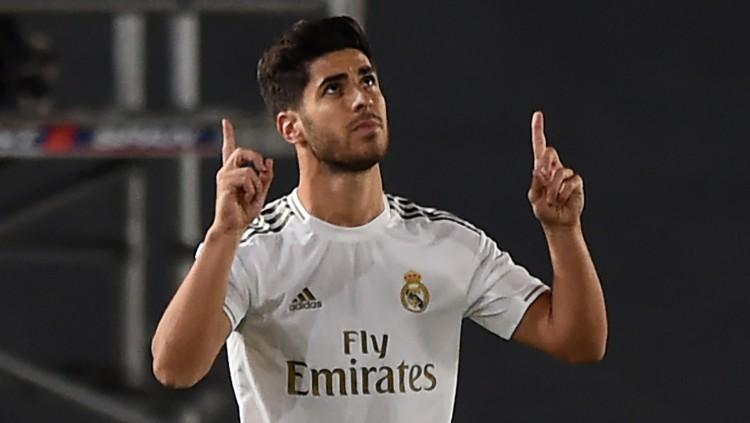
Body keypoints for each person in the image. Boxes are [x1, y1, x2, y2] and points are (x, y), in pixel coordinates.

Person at [151, 16, 607, 423]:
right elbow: (174, 368)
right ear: (291, 127)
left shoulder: (446, 242)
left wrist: (563, 232)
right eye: (334, 88)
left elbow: (579, 342)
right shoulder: (254, 250)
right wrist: (222, 234)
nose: (362, 99)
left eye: (367, 80)